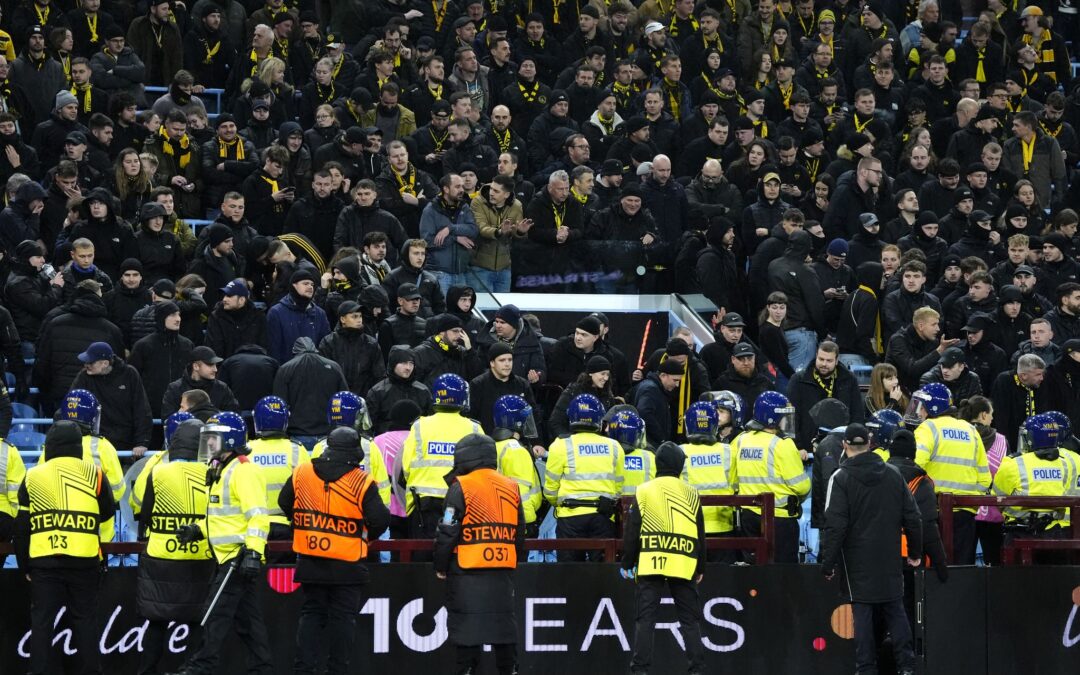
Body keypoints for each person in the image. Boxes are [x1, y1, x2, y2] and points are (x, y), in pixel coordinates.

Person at [278, 425, 390, 675]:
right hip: (347, 562)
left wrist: (303, 526)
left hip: (310, 559)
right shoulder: (360, 480)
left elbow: (284, 502)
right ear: (356, 453)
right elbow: (381, 519)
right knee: (343, 620)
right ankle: (337, 670)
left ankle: (304, 670)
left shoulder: (303, 472)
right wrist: (367, 537)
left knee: (311, 615)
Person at [820, 423, 924, 675]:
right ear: (870, 444)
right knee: (895, 609)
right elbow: (913, 518)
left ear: (844, 445)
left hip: (856, 560)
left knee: (863, 614)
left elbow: (835, 525)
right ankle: (907, 667)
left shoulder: (840, 477)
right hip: (888, 556)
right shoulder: (892, 474)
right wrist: (915, 552)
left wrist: (828, 563)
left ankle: (866, 669)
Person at [172, 414, 271, 675]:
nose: (207, 444)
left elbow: (258, 515)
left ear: (229, 440)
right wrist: (198, 530)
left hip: (236, 558)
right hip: (227, 557)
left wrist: (253, 552)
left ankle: (199, 668)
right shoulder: (220, 470)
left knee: (213, 615)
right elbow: (222, 518)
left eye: (212, 438)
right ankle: (263, 668)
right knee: (248, 622)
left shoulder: (243, 469)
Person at [13, 421, 115, 675]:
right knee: (85, 621)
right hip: (85, 560)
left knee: (42, 623)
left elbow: (22, 526)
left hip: (44, 562)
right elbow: (107, 513)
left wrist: (24, 564)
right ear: (77, 446)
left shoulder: (33, 475)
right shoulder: (95, 474)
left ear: (49, 446)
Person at [433, 433, 525, 675]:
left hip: (466, 572)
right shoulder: (511, 486)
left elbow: (448, 529)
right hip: (502, 570)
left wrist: (440, 565)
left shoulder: (460, 486)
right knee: (505, 630)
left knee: (467, 631)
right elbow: (520, 533)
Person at [133, 419, 215, 675]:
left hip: (161, 557)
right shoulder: (212, 472)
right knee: (196, 623)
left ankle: (147, 671)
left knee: (156, 623)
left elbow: (144, 513)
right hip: (199, 557)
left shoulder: (158, 471)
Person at [621, 441, 706, 675]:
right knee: (690, 622)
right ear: (679, 465)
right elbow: (700, 533)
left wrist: (628, 561)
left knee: (645, 620)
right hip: (684, 562)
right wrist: (701, 565)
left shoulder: (644, 489)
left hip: (651, 561)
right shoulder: (691, 492)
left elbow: (633, 529)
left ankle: (640, 671)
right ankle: (697, 670)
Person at [907, 382, 991, 565]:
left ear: (932, 408)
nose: (918, 412)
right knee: (961, 570)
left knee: (934, 572)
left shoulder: (928, 428)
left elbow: (914, 465)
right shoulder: (971, 430)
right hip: (965, 513)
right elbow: (985, 477)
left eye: (921, 406)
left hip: (934, 512)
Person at [401, 373, 482, 548]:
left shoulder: (419, 426)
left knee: (423, 559)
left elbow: (406, 467)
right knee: (456, 556)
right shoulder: (474, 427)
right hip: (461, 505)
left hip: (424, 505)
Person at [544, 393, 625, 561]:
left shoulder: (560, 445)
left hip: (570, 517)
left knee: (569, 574)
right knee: (602, 575)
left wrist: (559, 503)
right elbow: (619, 488)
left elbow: (550, 489)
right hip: (602, 517)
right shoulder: (614, 446)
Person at [733, 391, 809, 563]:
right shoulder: (782, 444)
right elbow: (802, 486)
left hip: (748, 517)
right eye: (784, 416)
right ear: (772, 418)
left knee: (752, 571)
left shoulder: (741, 440)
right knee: (782, 577)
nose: (787, 420)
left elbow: (732, 475)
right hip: (779, 520)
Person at [992, 413, 1078, 548]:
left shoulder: (1013, 463)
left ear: (1032, 437)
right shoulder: (1067, 464)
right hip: (1056, 533)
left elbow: (997, 497)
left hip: (1020, 533)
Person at [69, 340, 153, 456]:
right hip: (94, 444)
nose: (86, 365)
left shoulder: (129, 374)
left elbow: (141, 408)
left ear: (105, 363)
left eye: (91, 362)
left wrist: (141, 442)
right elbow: (71, 406)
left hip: (125, 444)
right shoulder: (83, 377)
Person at [246, 396, 311, 546]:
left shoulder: (247, 450)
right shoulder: (297, 449)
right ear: (285, 421)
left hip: (254, 526)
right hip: (287, 525)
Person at [309, 392, 392, 508]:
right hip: (362, 517)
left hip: (330, 517)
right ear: (355, 417)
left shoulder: (320, 447)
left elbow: (313, 488)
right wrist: (380, 518)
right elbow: (383, 486)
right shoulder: (369, 446)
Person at [679, 401, 737, 562]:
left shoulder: (679, 451)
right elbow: (736, 485)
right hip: (723, 526)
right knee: (723, 581)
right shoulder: (728, 451)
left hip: (689, 527)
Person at [272, 337, 349, 449]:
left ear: (294, 351)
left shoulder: (285, 369)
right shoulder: (334, 367)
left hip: (298, 434)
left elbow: (279, 405)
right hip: (328, 434)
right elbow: (345, 399)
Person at [491, 395, 543, 534]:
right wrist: (528, 523)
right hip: (519, 521)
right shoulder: (516, 450)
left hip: (501, 519)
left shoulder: (495, 445)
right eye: (526, 419)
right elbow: (521, 493)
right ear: (517, 423)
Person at [267, 268, 331, 364]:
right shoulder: (276, 312)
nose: (310, 287)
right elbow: (273, 349)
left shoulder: (320, 314)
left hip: (314, 371)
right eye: (305, 283)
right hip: (286, 372)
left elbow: (325, 347)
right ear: (294, 285)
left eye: (312, 284)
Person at [161, 345, 241, 419]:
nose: (215, 369)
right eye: (210, 365)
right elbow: (168, 419)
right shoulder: (175, 389)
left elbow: (233, 416)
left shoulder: (222, 388)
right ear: (195, 366)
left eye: (215, 365)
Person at [631, 358, 684, 446]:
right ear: (663, 375)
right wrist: (661, 438)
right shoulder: (651, 389)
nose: (677, 385)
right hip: (650, 444)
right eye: (675, 380)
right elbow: (644, 412)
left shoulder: (653, 387)